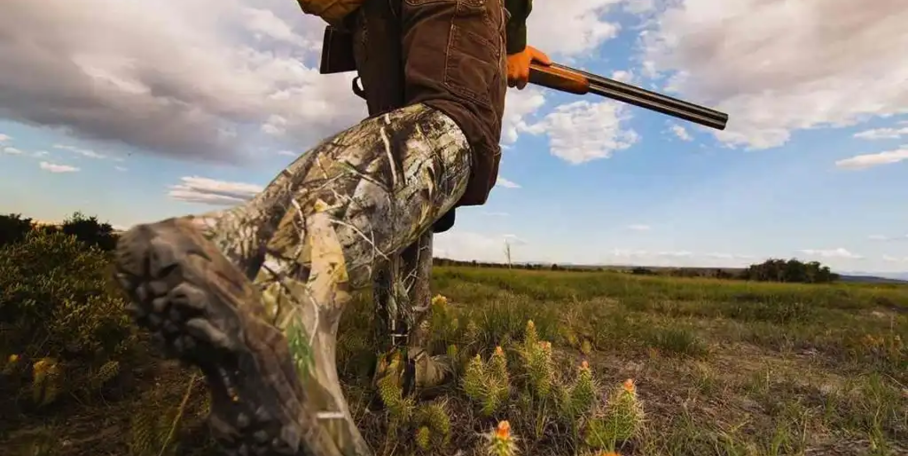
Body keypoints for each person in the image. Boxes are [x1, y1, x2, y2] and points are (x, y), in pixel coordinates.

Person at [112, 0, 550, 454]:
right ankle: (269, 277)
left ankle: (399, 361)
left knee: (409, 179)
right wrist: (512, 38)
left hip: (370, 17)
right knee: (459, 121)